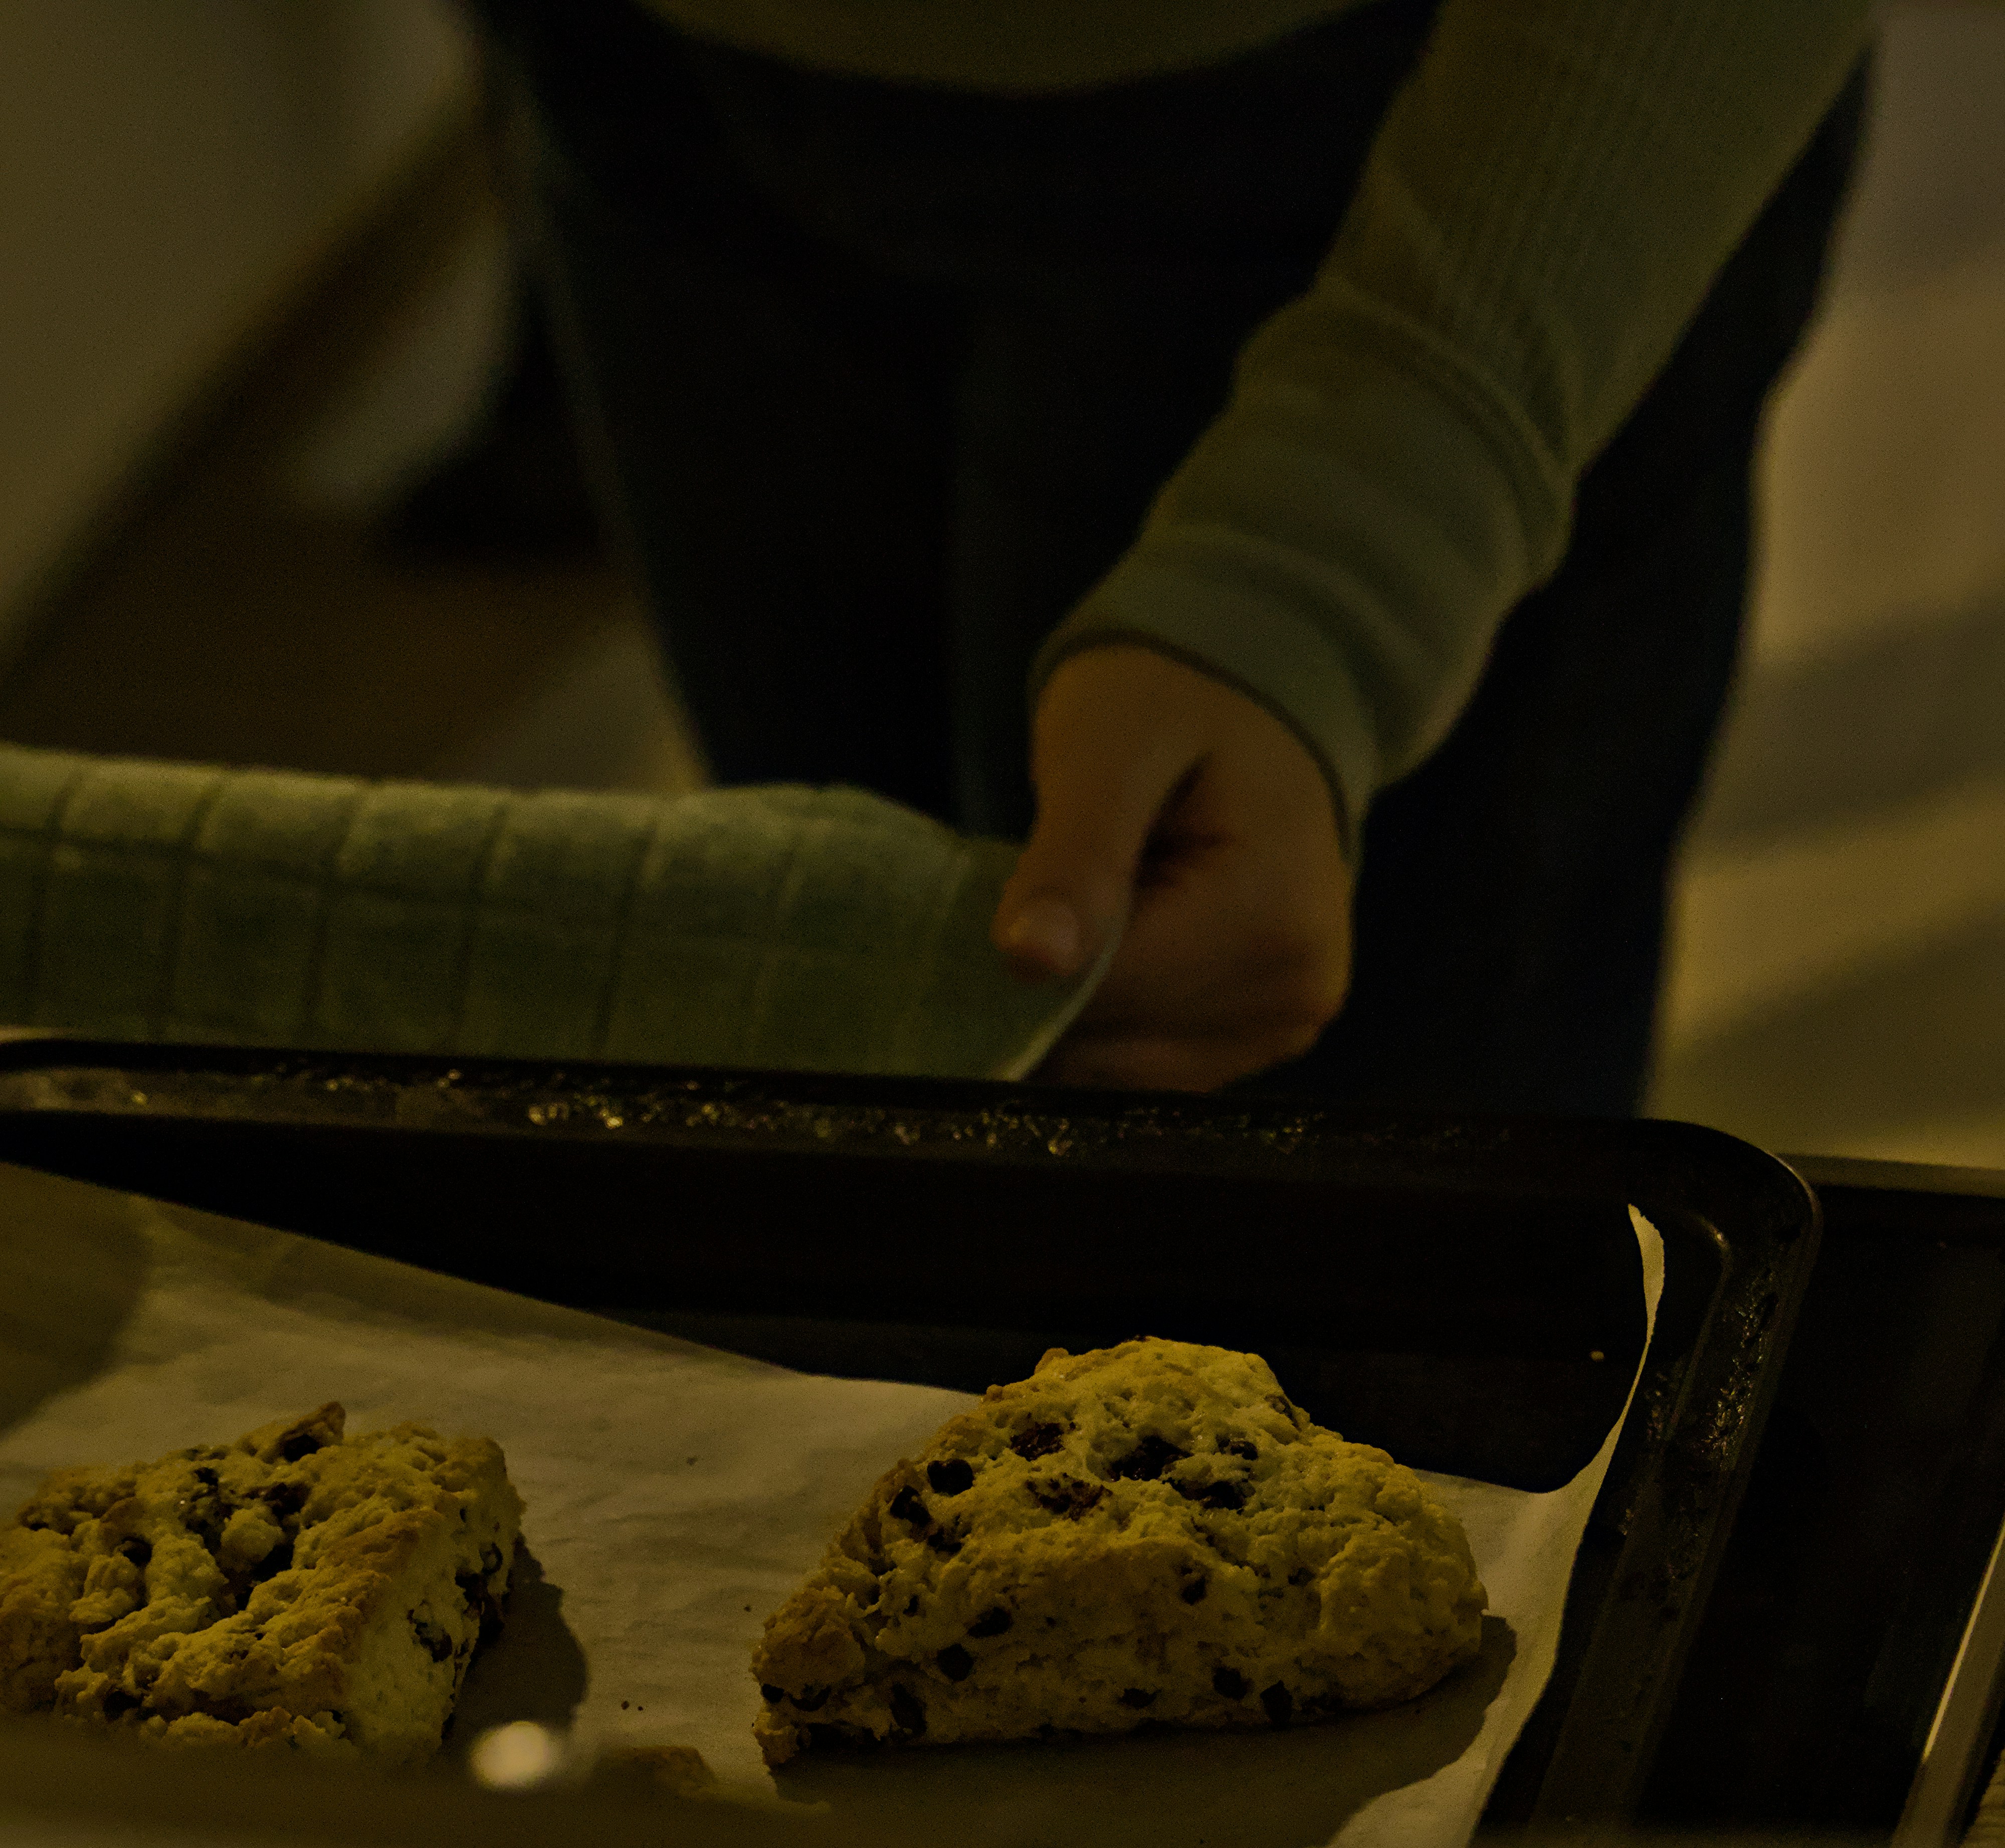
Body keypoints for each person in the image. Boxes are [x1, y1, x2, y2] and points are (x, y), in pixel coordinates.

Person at [463, 1, 1872, 1106]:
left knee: (1345, 1312)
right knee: (877, 1139)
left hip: (1414, 134)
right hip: (642, 92)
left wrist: (1336, 567)